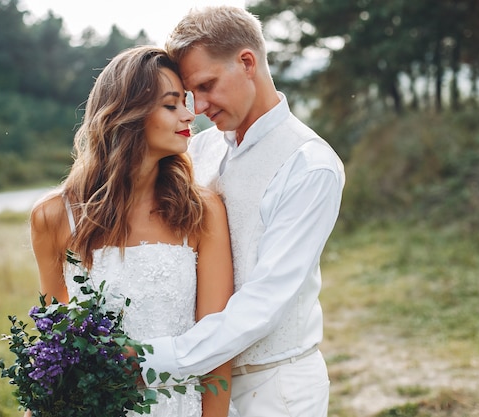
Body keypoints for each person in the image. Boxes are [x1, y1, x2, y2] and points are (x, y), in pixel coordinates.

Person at [139, 6, 346, 417]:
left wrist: (153, 359)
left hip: (276, 389)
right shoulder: (201, 149)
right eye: (187, 95)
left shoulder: (310, 165)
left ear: (247, 62)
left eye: (206, 85)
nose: (197, 107)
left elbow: (264, 302)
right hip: (198, 387)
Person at [27, 45, 236, 417]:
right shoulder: (54, 217)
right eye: (172, 105)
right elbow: (57, 345)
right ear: (128, 114)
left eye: (184, 101)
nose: (190, 114)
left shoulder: (201, 211)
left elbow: (217, 345)